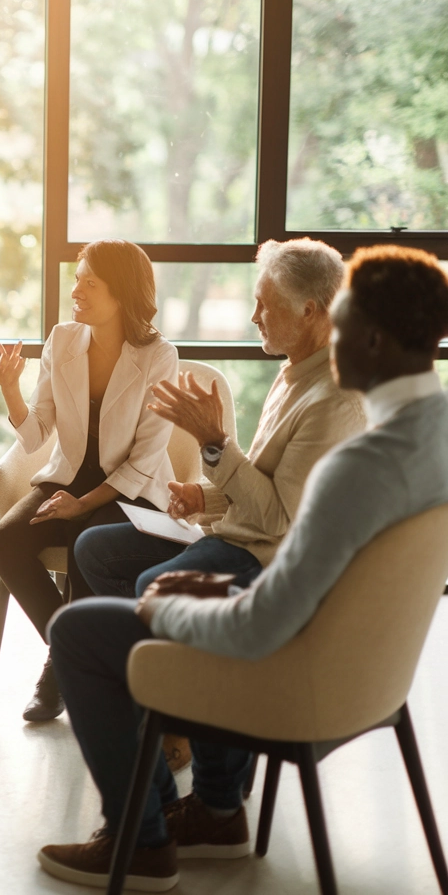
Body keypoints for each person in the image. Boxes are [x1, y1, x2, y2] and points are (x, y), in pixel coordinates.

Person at [37, 245, 448, 891]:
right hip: (369, 676)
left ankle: (146, 839)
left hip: (298, 670)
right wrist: (206, 503)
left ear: (360, 333)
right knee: (111, 563)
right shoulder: (431, 433)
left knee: (77, 634)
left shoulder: (354, 449)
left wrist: (167, 602)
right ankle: (206, 802)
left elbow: (262, 617)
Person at [75, 238, 366, 604]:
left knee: (150, 590)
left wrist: (213, 442)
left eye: (265, 304)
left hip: (264, 558)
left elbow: (276, 520)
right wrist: (202, 497)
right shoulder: (297, 371)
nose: (254, 316)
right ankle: (149, 645)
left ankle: (156, 644)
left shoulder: (334, 403)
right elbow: (266, 483)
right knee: (92, 548)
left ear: (307, 311)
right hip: (234, 534)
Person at [0, 239, 178, 721]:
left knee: (84, 539)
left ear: (123, 292)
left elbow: (146, 458)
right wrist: (11, 391)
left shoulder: (159, 355)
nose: (78, 289)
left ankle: (57, 672)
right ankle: (74, 652)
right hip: (67, 477)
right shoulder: (63, 339)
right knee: (5, 542)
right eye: (77, 278)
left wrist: (84, 503)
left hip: (132, 490)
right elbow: (36, 435)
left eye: (91, 281)